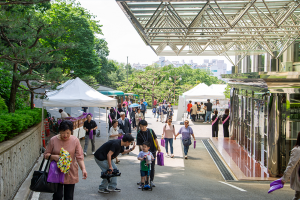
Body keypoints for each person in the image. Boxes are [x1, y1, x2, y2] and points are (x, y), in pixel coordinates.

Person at [44, 120, 87, 200]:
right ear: (59, 131)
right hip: (56, 172)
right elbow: (46, 155)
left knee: (69, 197)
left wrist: (83, 169)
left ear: (71, 131)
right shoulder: (53, 140)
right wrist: (54, 157)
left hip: (70, 171)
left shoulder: (75, 140)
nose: (65, 135)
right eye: (63, 132)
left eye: (68, 133)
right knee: (57, 196)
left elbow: (79, 157)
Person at [136, 120, 161, 187]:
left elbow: (155, 139)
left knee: (151, 166)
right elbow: (139, 144)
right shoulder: (139, 133)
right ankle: (143, 180)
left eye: (143, 126)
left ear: (146, 125)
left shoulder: (151, 131)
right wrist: (144, 150)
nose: (142, 128)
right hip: (144, 153)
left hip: (152, 151)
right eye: (140, 126)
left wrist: (158, 147)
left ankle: (151, 180)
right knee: (144, 166)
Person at [281, 132, 300, 200]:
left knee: (297, 195)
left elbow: (291, 165)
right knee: (297, 195)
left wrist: (285, 178)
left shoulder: (297, 150)